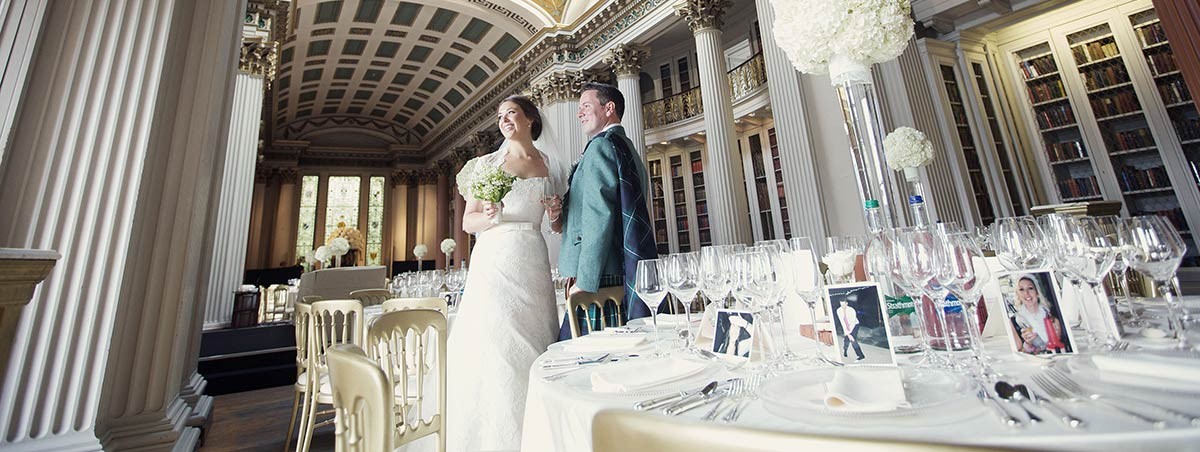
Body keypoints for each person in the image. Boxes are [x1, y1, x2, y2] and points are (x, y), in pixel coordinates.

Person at [445, 95, 564, 452]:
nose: (504, 120)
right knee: (499, 342)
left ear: (530, 119)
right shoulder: (486, 164)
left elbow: (556, 225)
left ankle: (540, 430)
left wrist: (556, 212)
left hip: (533, 257)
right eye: (500, 116)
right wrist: (492, 216)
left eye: (511, 113)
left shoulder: (551, 164)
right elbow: (469, 222)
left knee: (536, 338)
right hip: (496, 258)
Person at [554, 82, 657, 340]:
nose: (579, 114)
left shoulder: (600, 147)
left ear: (609, 108)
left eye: (585, 106)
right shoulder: (628, 147)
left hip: (598, 278)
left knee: (584, 359)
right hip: (621, 270)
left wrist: (584, 281)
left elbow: (597, 216)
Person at [1008, 274, 1068, 354]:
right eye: (1021, 289)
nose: (1026, 293)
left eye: (1030, 288)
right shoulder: (1014, 321)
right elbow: (1017, 354)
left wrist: (1058, 335)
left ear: (1037, 292)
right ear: (1018, 295)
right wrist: (1028, 344)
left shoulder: (1053, 314)